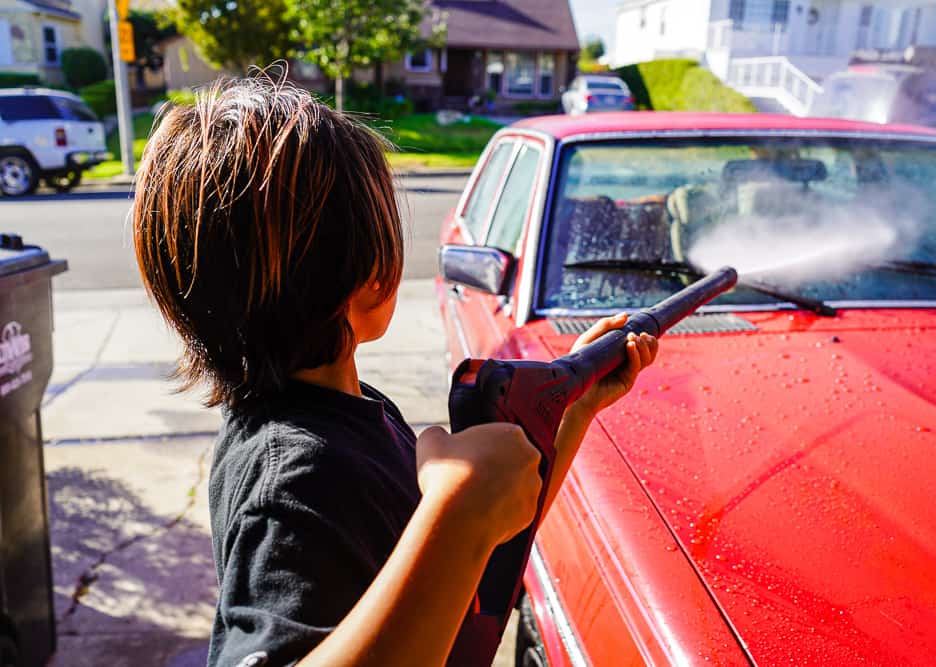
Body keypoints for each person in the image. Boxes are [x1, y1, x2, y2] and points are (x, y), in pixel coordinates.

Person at [131, 72, 657, 667]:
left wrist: (573, 413)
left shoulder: (351, 412)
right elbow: (458, 533)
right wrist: (453, 514)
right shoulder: (295, 479)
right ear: (371, 278)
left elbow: (476, 564)